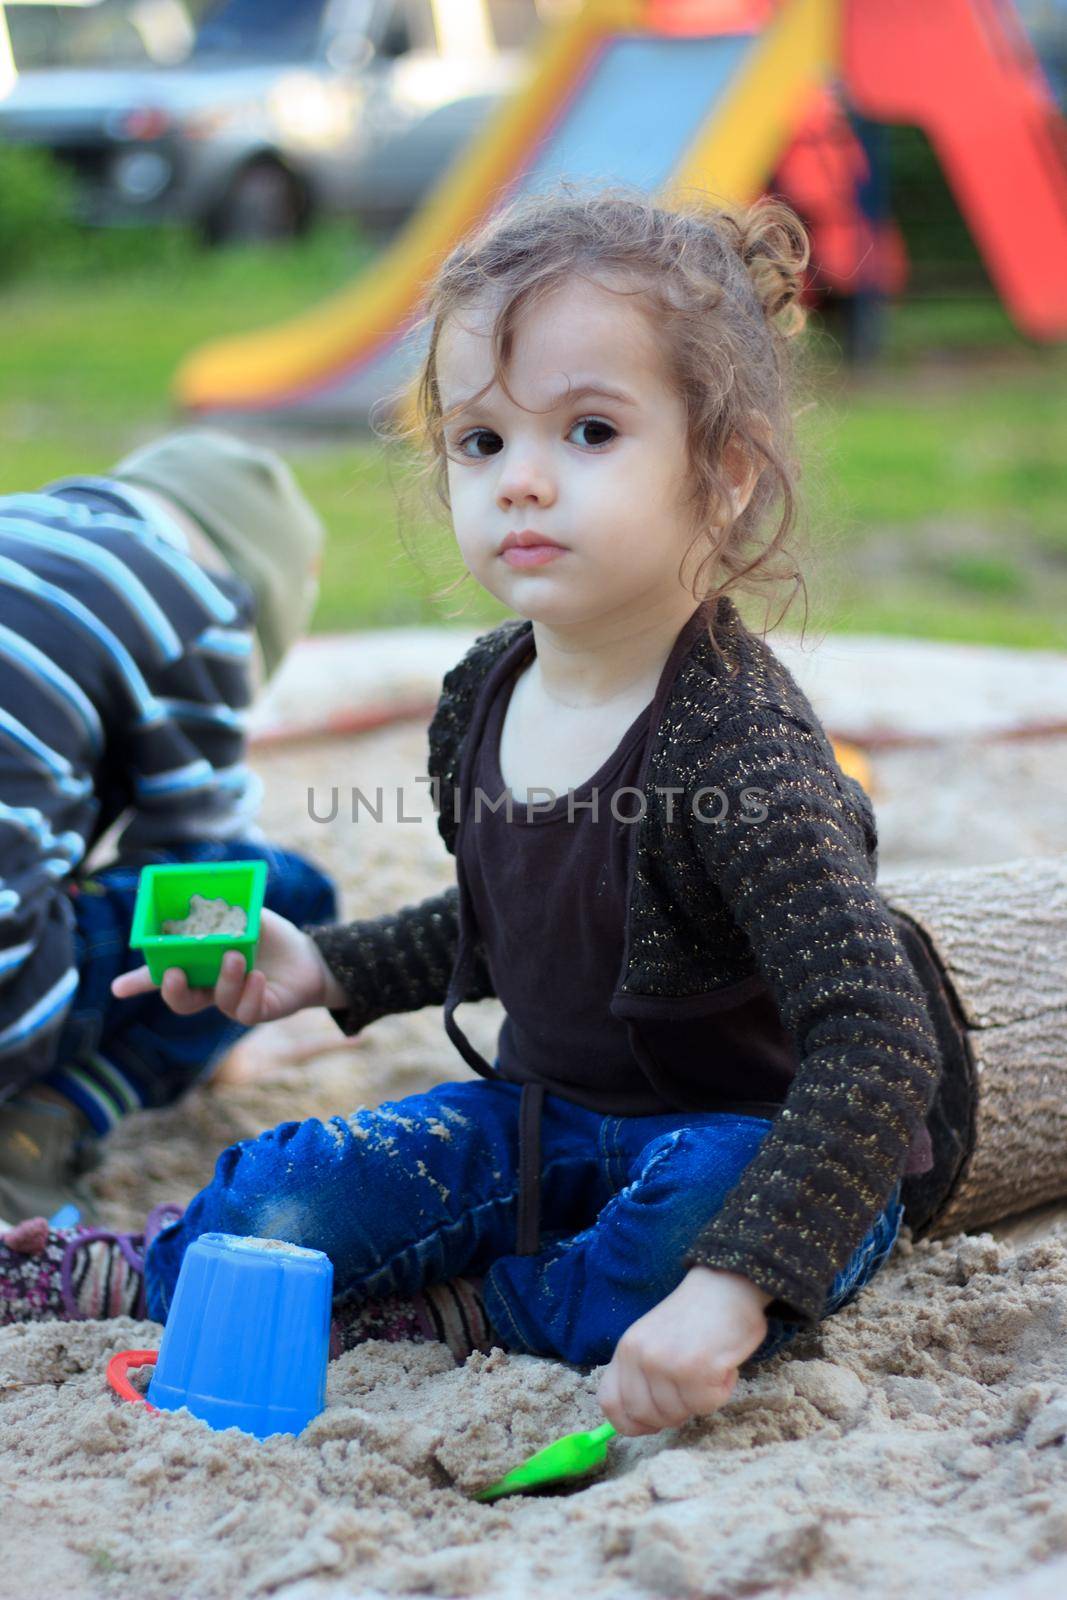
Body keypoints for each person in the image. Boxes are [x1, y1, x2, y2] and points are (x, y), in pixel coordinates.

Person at [0, 192, 950, 1439]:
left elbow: (878, 1047)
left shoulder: (743, 754)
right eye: (481, 441)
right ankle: (153, 1268)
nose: (521, 482)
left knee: (680, 1228)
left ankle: (465, 1311)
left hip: (743, 1143)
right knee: (298, 1186)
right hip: (540, 1120)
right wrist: (324, 968)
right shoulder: (484, 696)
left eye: (590, 430)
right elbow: (511, 916)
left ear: (721, 474)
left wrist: (731, 1291)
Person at [0, 430, 337, 1225]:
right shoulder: (199, 606)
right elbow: (200, 860)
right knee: (282, 893)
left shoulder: (22, 529)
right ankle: (48, 1121)